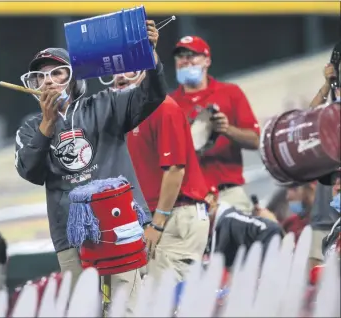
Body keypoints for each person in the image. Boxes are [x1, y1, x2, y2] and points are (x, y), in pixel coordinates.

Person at [14, 20, 167, 315]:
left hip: (120, 227)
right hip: (72, 238)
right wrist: (47, 124)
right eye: (41, 76)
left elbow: (153, 95)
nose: (48, 81)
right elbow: (30, 172)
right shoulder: (30, 127)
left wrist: (150, 54)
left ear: (72, 79)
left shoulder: (106, 105)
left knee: (127, 310)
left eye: (57, 72)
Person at [109, 71, 210, 282]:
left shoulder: (163, 107)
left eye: (128, 69)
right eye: (116, 71)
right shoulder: (125, 115)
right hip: (153, 221)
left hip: (174, 217)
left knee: (168, 303)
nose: (120, 76)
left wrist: (157, 224)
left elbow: (175, 169)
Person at [169, 35, 260, 215]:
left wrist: (227, 130)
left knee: (236, 231)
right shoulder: (169, 104)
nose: (185, 61)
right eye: (180, 56)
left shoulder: (230, 93)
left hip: (228, 191)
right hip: (189, 199)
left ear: (207, 60)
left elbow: (256, 141)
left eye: (191, 55)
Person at [307, 63, 340, 270]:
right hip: (325, 216)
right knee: (315, 280)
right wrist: (327, 85)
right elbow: (308, 122)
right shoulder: (330, 117)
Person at [206, 188, 284, 269]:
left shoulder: (230, 220)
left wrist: (256, 270)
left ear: (213, 200)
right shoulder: (214, 230)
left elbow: (270, 228)